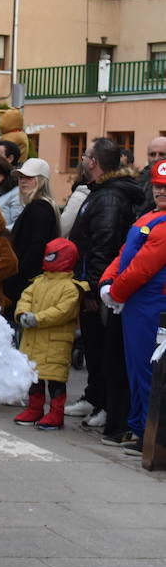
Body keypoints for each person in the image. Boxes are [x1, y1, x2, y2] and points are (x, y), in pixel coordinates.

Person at [67, 137, 143, 443]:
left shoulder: (109, 198)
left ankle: (105, 406)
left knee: (101, 349)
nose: (82, 161)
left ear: (93, 163)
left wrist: (92, 290)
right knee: (95, 347)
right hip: (92, 283)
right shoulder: (100, 193)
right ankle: (95, 397)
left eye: (85, 156)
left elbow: (105, 243)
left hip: (98, 288)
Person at [99, 159, 166, 455]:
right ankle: (141, 431)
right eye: (157, 186)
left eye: (165, 188)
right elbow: (125, 255)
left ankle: (149, 437)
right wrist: (108, 284)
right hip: (135, 303)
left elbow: (142, 269)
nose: (160, 192)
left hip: (149, 305)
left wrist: (115, 291)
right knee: (137, 369)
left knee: (148, 371)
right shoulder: (150, 216)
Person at [14, 238, 87, 430]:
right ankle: (35, 408)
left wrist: (38, 318)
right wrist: (22, 313)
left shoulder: (71, 287)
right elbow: (25, 298)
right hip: (33, 340)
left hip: (55, 342)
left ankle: (56, 413)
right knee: (34, 378)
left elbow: (63, 311)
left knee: (55, 381)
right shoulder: (39, 281)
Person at [4, 158, 60, 313]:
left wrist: (16, 273)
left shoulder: (39, 207)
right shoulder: (40, 205)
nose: (23, 181)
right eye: (21, 177)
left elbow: (37, 246)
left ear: (40, 180)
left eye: (29, 177)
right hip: (27, 280)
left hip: (26, 282)